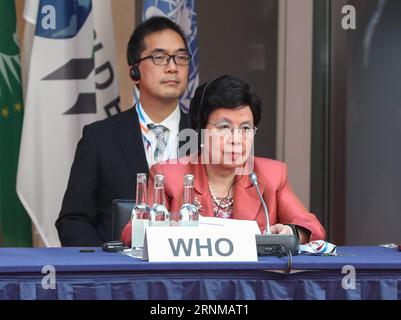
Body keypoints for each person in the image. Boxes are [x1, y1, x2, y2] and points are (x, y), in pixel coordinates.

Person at [121, 75, 325, 246]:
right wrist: (166, 230)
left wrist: (292, 231)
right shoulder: (168, 176)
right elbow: (132, 234)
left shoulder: (272, 175)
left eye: (245, 129)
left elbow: (312, 228)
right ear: (201, 131)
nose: (236, 139)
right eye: (224, 127)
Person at [56, 17, 192, 246]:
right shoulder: (99, 138)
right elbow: (73, 221)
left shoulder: (204, 137)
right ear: (134, 72)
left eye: (180, 57)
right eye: (159, 57)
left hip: (190, 276)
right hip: (120, 276)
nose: (172, 67)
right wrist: (110, 264)